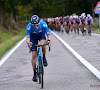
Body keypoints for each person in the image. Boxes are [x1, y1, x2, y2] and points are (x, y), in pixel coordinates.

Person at [26, 15, 51, 82]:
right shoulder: (28, 27)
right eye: (33, 25)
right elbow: (28, 38)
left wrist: (49, 41)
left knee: (43, 44)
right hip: (33, 38)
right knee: (34, 55)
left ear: (39, 23)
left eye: (37, 25)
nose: (35, 27)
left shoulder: (44, 24)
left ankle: (44, 57)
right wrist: (29, 43)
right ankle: (34, 73)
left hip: (41, 36)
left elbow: (48, 35)